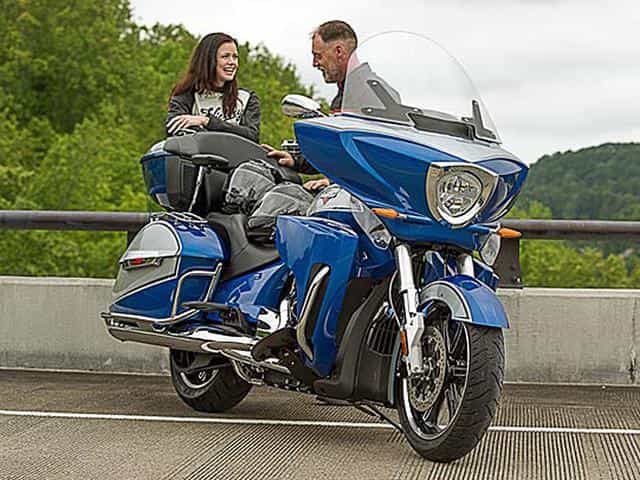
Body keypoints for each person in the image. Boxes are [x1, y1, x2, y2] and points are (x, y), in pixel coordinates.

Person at [262, 20, 357, 191]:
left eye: (318, 55)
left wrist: (333, 183)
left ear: (339, 51)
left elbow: (372, 156)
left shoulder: (370, 95)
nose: (314, 63)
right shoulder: (344, 95)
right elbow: (337, 152)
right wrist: (295, 161)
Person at [166, 32, 260, 142]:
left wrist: (207, 121)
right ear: (208, 59)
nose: (232, 62)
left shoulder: (247, 98)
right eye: (225, 56)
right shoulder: (185, 95)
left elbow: (251, 136)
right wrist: (231, 132)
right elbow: (175, 128)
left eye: (235, 57)